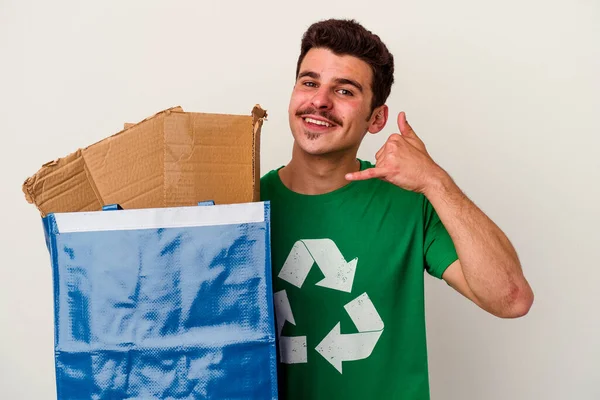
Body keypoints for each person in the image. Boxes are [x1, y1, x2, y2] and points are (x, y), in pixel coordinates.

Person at [260, 18, 533, 400]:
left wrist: (435, 181)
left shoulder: (410, 201)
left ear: (377, 119)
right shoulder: (247, 209)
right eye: (309, 82)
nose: (320, 100)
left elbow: (511, 299)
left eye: (344, 90)